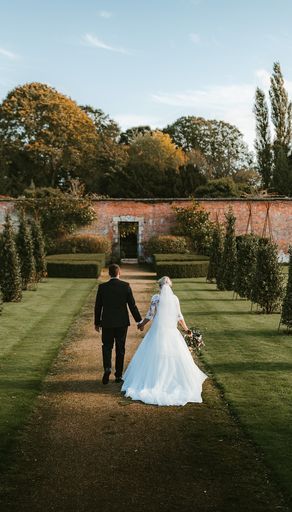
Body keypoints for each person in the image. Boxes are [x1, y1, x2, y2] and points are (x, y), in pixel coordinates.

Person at [121, 276, 208, 406]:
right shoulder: (175, 299)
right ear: (170, 286)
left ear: (160, 286)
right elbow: (179, 316)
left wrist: (141, 324)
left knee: (152, 352)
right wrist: (186, 329)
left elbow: (150, 315)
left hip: (157, 330)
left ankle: (153, 380)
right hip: (171, 330)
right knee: (174, 353)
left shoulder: (156, 298)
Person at [94, 264, 142, 384]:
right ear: (119, 272)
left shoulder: (102, 287)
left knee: (106, 346)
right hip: (121, 323)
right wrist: (139, 321)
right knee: (120, 348)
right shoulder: (125, 286)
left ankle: (107, 368)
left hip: (107, 322)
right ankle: (118, 375)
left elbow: (98, 306)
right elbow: (132, 305)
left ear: (109, 273)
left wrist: (97, 322)